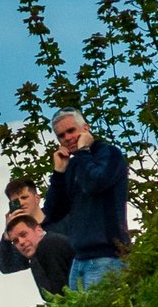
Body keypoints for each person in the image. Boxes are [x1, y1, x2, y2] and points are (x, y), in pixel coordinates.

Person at [43, 108, 130, 291]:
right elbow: (53, 213)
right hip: (80, 259)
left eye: (71, 131)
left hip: (108, 256)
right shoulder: (73, 165)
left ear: (85, 128)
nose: (67, 138)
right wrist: (58, 173)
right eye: (61, 136)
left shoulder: (110, 154)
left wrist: (83, 151)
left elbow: (95, 183)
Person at [4, 213, 74, 296]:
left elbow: (61, 293)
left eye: (23, 234)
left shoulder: (49, 244)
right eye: (15, 241)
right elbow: (7, 265)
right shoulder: (35, 258)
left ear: (39, 230)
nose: (21, 242)